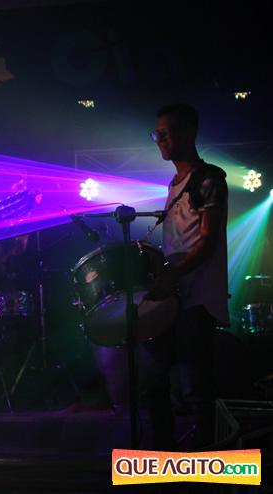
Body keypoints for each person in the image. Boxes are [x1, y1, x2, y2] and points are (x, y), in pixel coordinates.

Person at [141, 103, 229, 451]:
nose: (161, 139)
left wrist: (172, 274)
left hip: (197, 298)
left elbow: (208, 241)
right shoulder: (174, 184)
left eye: (167, 132)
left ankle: (206, 464)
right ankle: (164, 459)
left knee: (196, 388)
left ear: (190, 132)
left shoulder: (208, 179)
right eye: (157, 134)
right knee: (154, 382)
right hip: (173, 298)